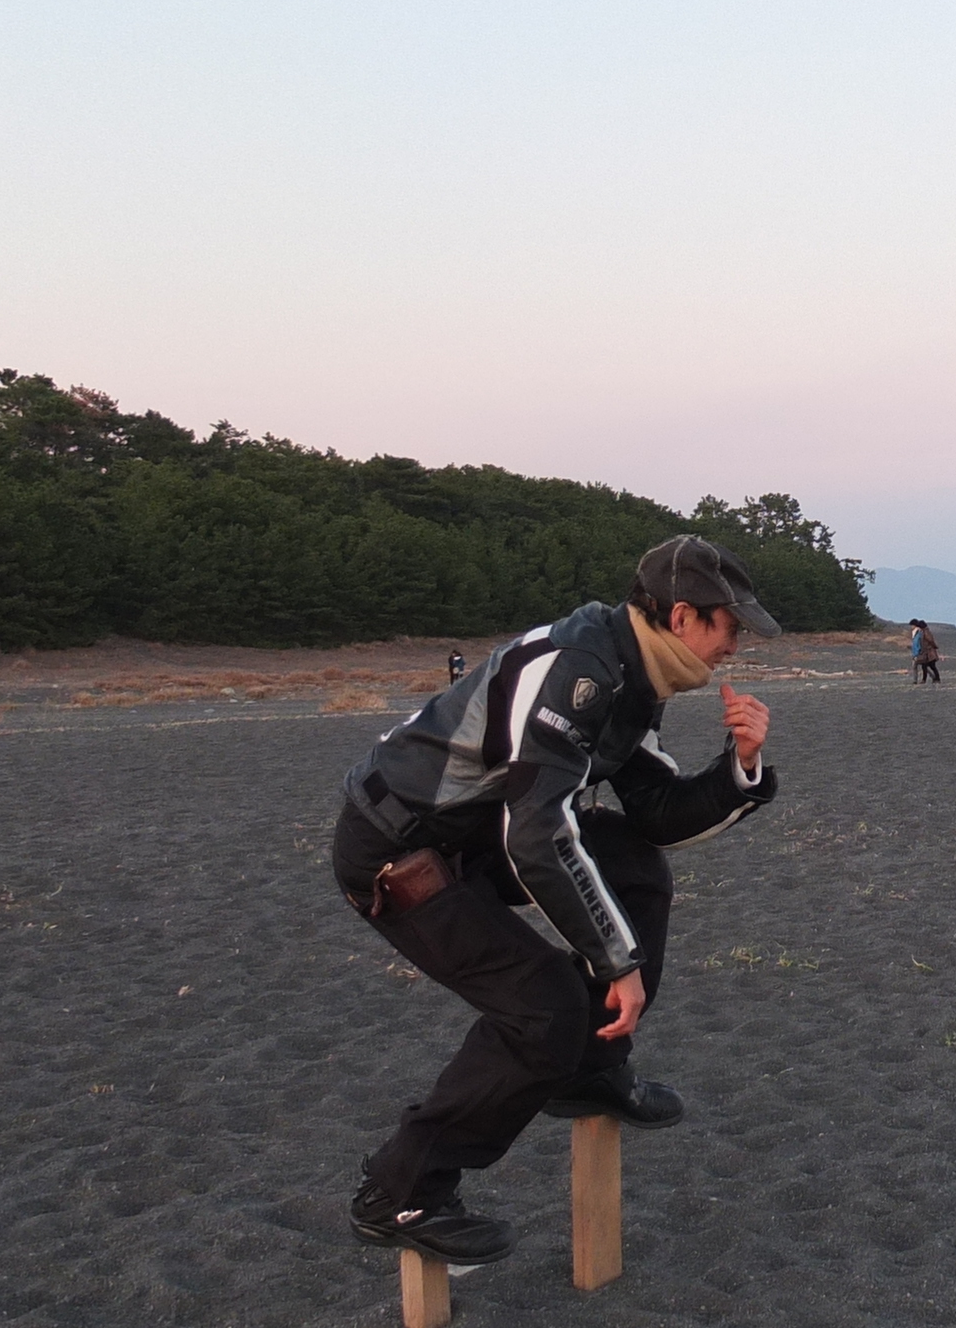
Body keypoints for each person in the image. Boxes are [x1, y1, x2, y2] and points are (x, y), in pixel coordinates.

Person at [330, 535, 781, 1266]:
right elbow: (538, 835)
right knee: (543, 1006)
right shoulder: (578, 670)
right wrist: (617, 962)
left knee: (632, 864)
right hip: (397, 851)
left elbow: (654, 812)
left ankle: (590, 1069)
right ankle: (399, 1192)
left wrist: (742, 767)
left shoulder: (635, 677)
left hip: (475, 837)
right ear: (681, 617)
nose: (737, 647)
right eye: (731, 627)